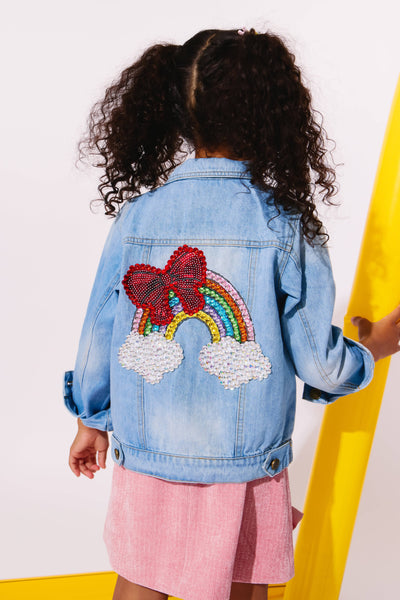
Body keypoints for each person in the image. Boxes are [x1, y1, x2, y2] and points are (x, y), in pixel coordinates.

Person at [64, 28, 400, 600]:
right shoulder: (284, 224)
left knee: (139, 580)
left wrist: (90, 419)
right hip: (245, 465)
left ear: (177, 114)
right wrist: (373, 348)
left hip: (149, 453)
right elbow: (320, 365)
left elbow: (100, 329)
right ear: (272, 114)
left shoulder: (139, 217)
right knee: (242, 584)